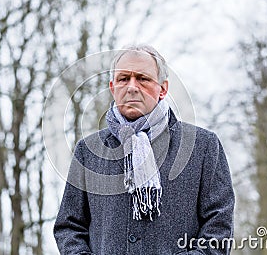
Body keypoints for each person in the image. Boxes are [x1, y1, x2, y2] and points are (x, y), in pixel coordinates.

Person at [53, 45, 235, 254]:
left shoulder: (203, 146)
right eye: (123, 79)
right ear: (113, 87)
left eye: (143, 78)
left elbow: (218, 228)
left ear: (163, 89)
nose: (132, 87)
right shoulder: (87, 150)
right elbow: (69, 227)